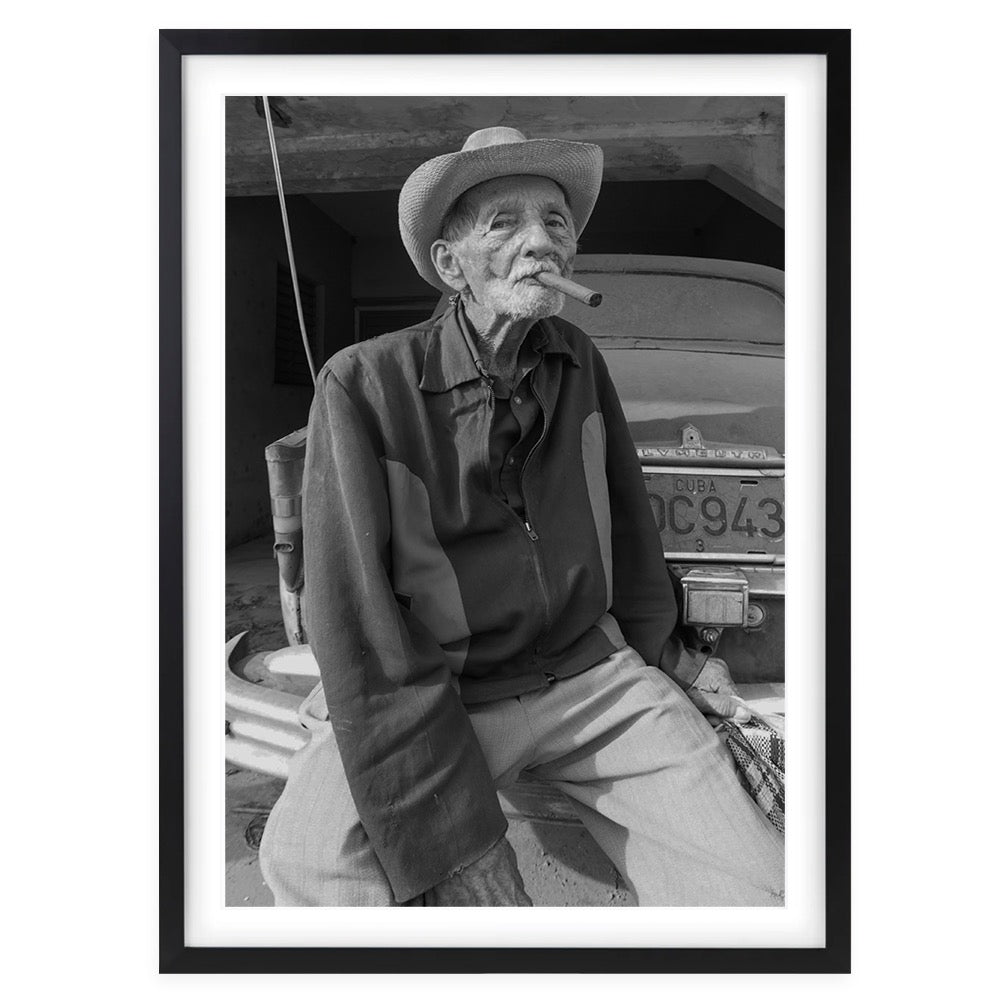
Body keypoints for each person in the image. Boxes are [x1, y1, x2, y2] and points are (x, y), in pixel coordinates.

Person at [258, 127, 784, 906]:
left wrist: (668, 654)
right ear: (452, 266)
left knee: (756, 889)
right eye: (503, 224)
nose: (539, 241)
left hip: (590, 678)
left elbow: (628, 525)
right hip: (437, 691)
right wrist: (457, 842)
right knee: (311, 861)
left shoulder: (577, 359)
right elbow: (358, 615)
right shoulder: (364, 383)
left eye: (555, 222)